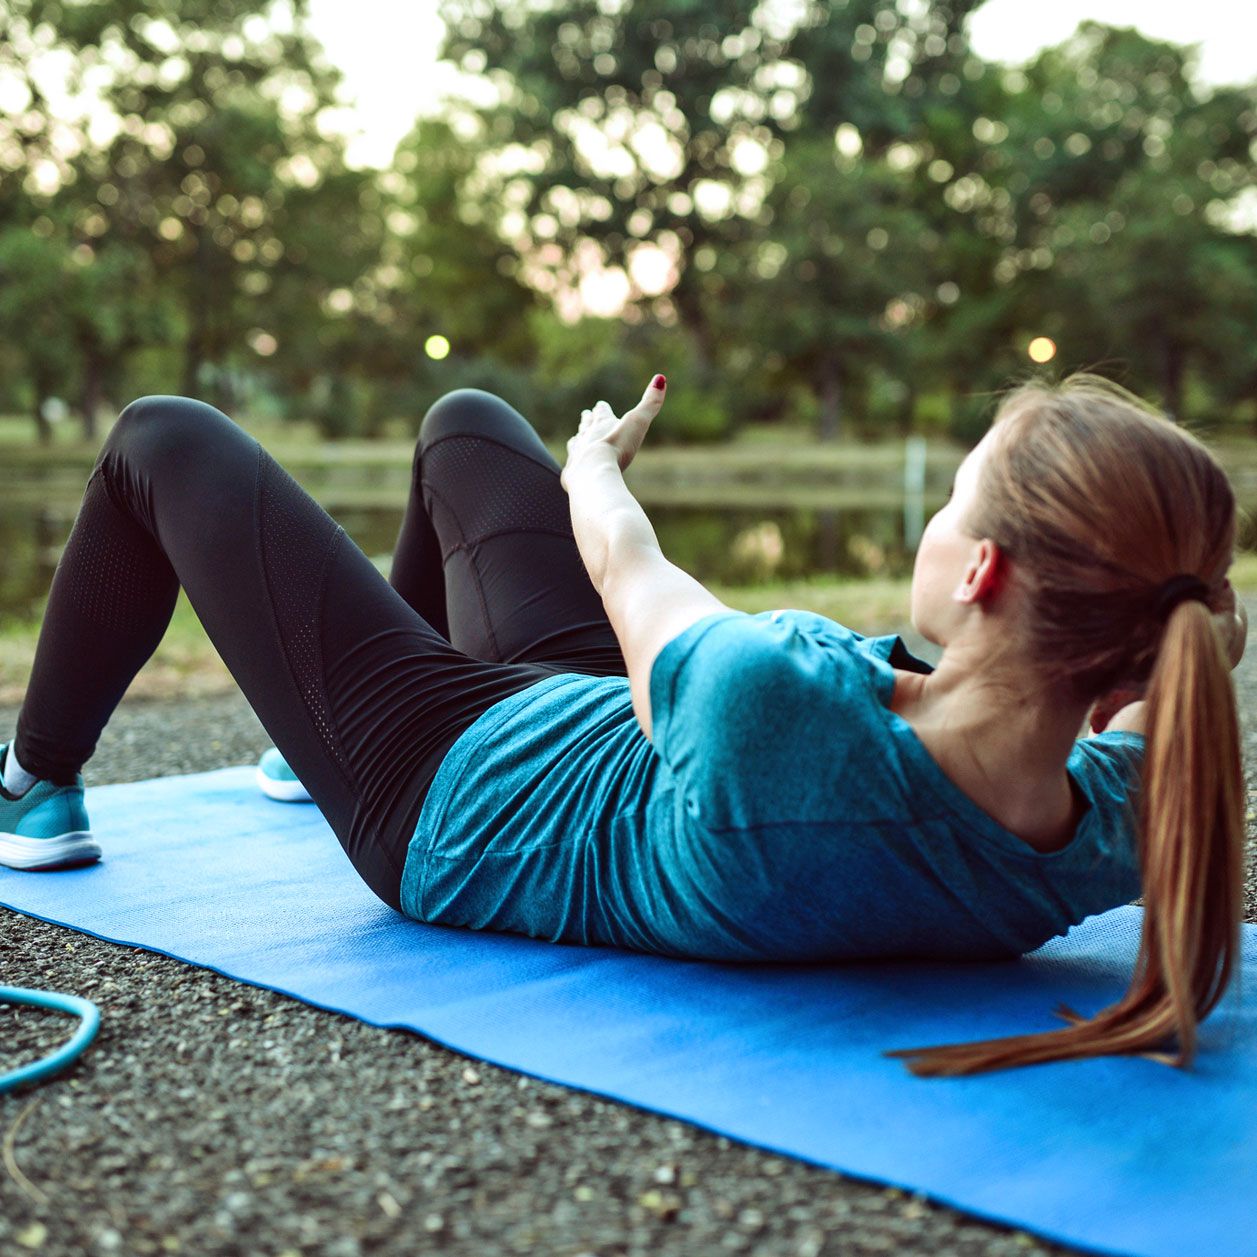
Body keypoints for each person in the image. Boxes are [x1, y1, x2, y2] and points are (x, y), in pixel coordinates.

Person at [0, 374, 1246, 1078]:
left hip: (452, 791)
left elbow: (627, 561)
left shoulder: (776, 704)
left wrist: (599, 461)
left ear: (979, 575)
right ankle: (307, 733)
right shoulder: (1121, 818)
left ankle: (35, 783)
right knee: (467, 426)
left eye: (955, 499)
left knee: (161, 437)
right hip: (621, 734)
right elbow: (1181, 668)